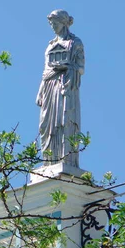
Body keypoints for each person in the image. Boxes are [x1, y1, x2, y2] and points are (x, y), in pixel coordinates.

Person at [36, 10, 85, 167]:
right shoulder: (50, 46)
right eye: (51, 24)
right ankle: (49, 161)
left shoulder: (75, 43)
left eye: (55, 23)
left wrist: (67, 67)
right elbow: (45, 71)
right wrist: (40, 91)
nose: (52, 26)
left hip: (65, 85)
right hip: (49, 86)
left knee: (64, 121)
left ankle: (66, 160)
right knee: (46, 124)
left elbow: (81, 68)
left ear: (63, 23)